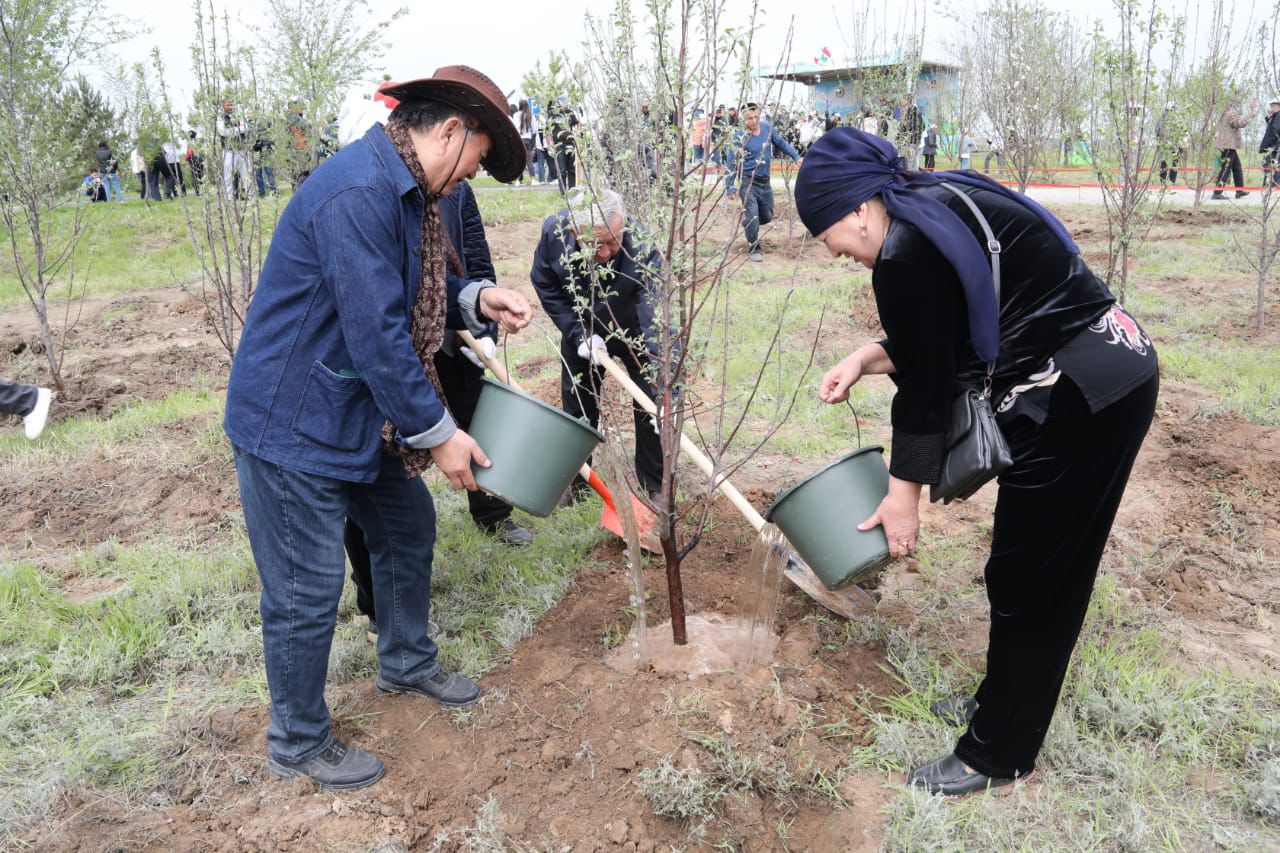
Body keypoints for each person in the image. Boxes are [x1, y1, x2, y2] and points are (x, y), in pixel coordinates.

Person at [795, 129, 1159, 797]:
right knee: (1027, 569)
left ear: (855, 210)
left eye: (829, 240)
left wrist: (902, 496)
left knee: (1036, 577)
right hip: (1107, 368)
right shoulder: (932, 203)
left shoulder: (903, 252)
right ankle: (1003, 705)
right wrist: (866, 357)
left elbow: (928, 389)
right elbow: (942, 329)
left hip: (1081, 398)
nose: (838, 256)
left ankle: (1000, 752)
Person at [223, 64, 530, 793]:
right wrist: (443, 432)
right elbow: (379, 334)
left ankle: (404, 660)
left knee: (405, 523)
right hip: (293, 420)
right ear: (449, 131)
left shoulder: (405, 193)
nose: (467, 181)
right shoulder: (359, 192)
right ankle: (297, 737)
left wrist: (478, 296)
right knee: (305, 585)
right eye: (476, 162)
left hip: (354, 412)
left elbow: (413, 289)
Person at [530, 188, 664, 499]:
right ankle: (578, 482)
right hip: (584, 328)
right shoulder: (556, 234)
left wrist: (662, 377)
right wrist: (577, 332)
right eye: (593, 243)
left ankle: (654, 485)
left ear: (623, 225)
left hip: (634, 327)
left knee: (651, 402)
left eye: (611, 241)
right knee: (578, 400)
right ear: (575, 231)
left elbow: (656, 315)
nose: (603, 252)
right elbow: (545, 282)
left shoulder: (642, 246)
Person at [724, 103, 803, 262]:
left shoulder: (767, 129)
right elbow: (731, 163)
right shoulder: (740, 137)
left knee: (766, 216)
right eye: (750, 118)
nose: (754, 121)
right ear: (743, 119)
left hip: (765, 183)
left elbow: (781, 143)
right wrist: (730, 186)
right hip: (748, 182)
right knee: (753, 215)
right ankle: (754, 247)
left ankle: (748, 223)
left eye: (756, 117)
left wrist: (796, 156)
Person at [1212, 99, 1257, 200]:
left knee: (1237, 168)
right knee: (1226, 169)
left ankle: (1239, 191)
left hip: (1227, 145)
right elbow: (1239, 124)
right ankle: (1217, 193)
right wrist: (1252, 112)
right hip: (1228, 145)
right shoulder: (1231, 112)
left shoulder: (1224, 111)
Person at [218, 98, 253, 199]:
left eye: (232, 105)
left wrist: (233, 130)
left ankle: (250, 196)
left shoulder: (239, 116)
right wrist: (238, 130)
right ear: (223, 106)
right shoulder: (220, 118)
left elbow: (246, 128)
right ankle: (229, 197)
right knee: (228, 174)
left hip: (242, 150)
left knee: (246, 174)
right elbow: (223, 132)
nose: (230, 107)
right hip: (228, 150)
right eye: (228, 105)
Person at [548, 95, 579, 193]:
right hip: (559, 144)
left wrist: (578, 138)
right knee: (562, 170)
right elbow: (548, 130)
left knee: (572, 169)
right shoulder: (553, 113)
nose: (565, 105)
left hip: (571, 143)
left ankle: (572, 191)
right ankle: (563, 193)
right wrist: (550, 145)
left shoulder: (570, 112)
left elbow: (577, 124)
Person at [1259, 99, 1280, 189]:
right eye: (1271, 105)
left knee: (1268, 163)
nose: (1271, 107)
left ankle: (1272, 184)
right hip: (1274, 146)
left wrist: (1269, 144)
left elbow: (1275, 131)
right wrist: (1269, 118)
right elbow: (1271, 128)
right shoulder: (1275, 116)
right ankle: (1273, 183)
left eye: (1273, 105)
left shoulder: (1279, 116)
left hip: (1275, 146)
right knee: (1274, 164)